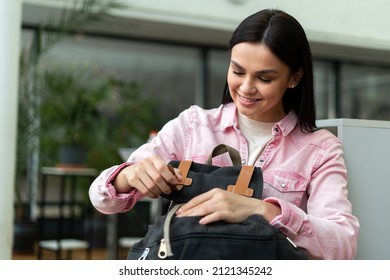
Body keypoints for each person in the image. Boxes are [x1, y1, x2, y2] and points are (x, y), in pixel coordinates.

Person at [89, 8, 359, 260]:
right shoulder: (194, 126)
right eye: (237, 71)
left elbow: (342, 243)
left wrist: (262, 210)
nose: (246, 87)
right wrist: (127, 177)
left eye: (264, 78)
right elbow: (102, 200)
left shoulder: (320, 149)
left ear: (294, 78)